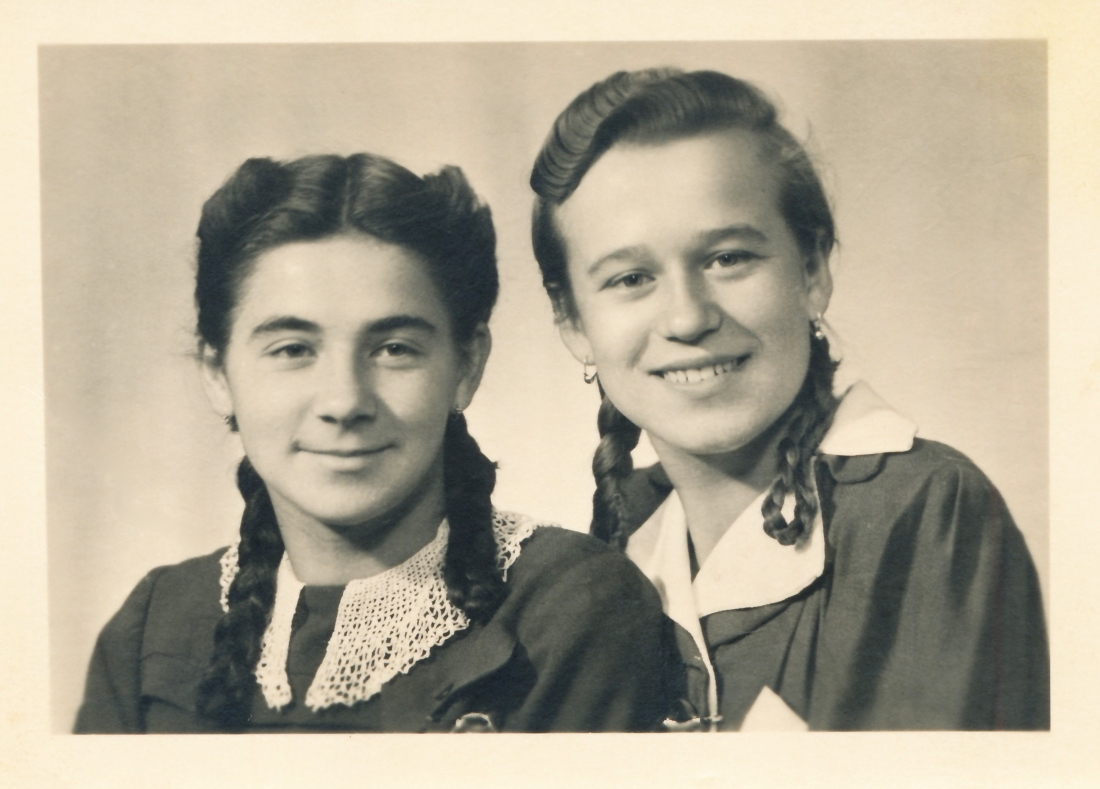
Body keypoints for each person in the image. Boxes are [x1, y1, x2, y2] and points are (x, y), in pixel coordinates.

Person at [74, 152, 673, 733]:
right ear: (217, 374)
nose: (343, 402)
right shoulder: (155, 624)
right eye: (292, 350)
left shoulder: (572, 606)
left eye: (394, 349)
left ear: (466, 367)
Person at [529, 68, 1049, 730]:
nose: (687, 317)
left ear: (811, 270)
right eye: (631, 277)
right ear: (573, 321)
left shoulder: (922, 510)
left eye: (728, 258)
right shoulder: (614, 550)